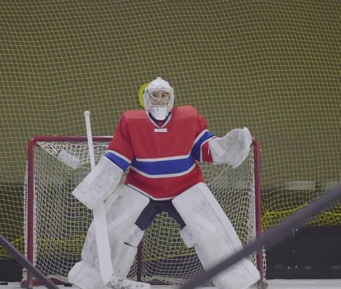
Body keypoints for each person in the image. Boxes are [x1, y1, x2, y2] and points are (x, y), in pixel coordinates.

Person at [68, 77, 261, 289]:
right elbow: (116, 158)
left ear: (171, 98)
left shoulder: (188, 117)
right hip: (142, 188)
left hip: (185, 186)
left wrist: (228, 146)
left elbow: (205, 148)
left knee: (212, 232)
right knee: (112, 229)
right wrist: (94, 189)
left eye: (164, 95)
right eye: (154, 95)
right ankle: (94, 280)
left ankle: (239, 282)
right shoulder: (131, 122)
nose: (159, 100)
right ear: (146, 99)